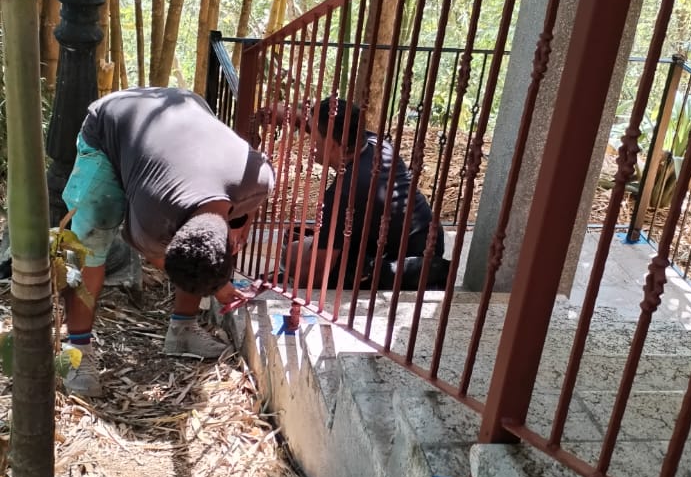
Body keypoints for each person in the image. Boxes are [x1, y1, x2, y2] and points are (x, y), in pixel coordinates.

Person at [62, 87, 274, 397]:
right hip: (112, 124)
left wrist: (239, 222)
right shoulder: (154, 218)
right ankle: (78, 353)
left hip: (186, 111)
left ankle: (183, 331)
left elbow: (198, 252)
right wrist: (217, 285)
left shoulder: (259, 179)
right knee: (91, 244)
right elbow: (166, 258)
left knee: (200, 255)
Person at [281, 97, 449, 292]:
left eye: (314, 137)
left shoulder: (344, 193)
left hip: (401, 267)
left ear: (334, 144)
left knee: (293, 257)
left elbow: (316, 275)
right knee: (296, 250)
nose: (310, 142)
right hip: (428, 244)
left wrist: (289, 286)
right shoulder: (376, 144)